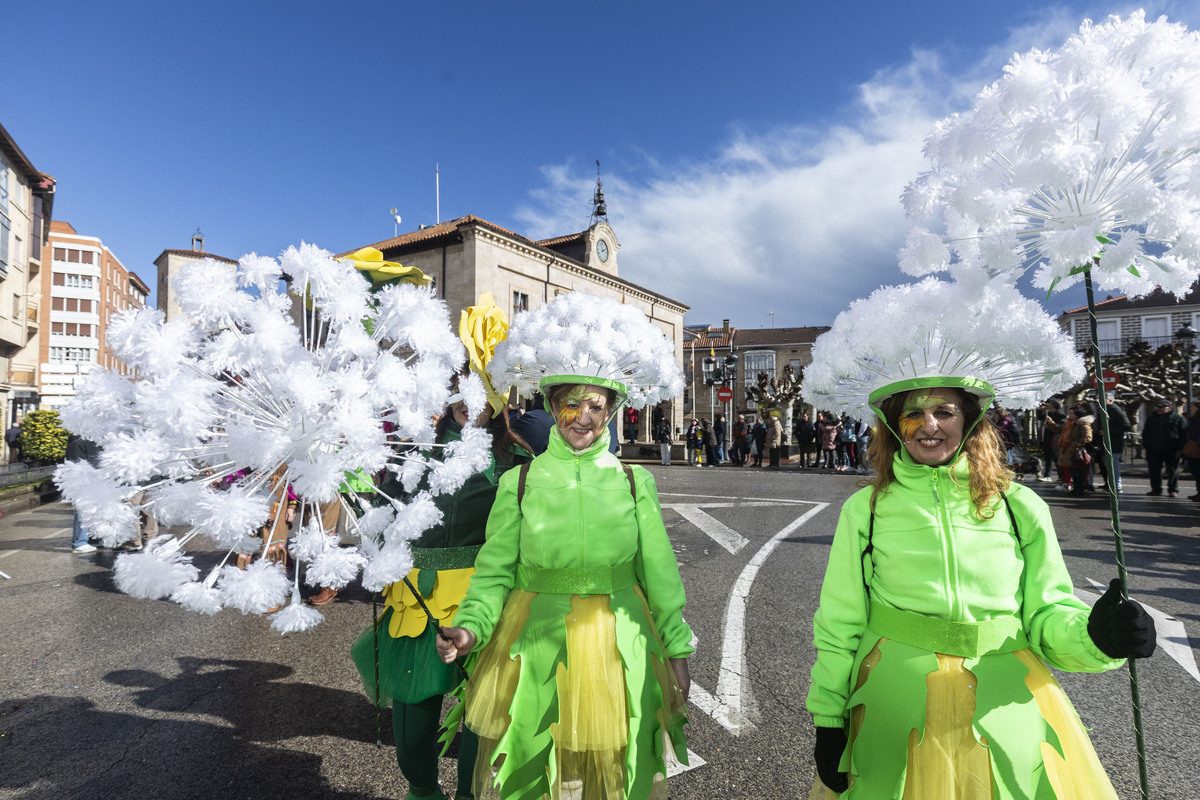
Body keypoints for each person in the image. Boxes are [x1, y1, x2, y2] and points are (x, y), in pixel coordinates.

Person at [808, 381, 1156, 799]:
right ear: (893, 426)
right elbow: (839, 622)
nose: (928, 425)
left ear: (971, 421)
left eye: (945, 412)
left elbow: (1048, 612)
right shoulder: (866, 508)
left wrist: (1097, 636)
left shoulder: (1019, 504)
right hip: (892, 710)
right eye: (912, 413)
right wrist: (829, 720)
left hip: (1007, 706)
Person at [436, 376, 692, 800]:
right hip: (536, 645)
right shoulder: (519, 482)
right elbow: (495, 572)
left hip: (619, 645)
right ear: (554, 408)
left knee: (615, 770)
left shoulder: (633, 481)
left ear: (609, 413)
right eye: (571, 405)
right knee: (539, 767)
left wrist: (677, 650)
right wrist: (470, 628)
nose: (583, 418)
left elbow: (660, 575)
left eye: (594, 407)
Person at [351, 395, 531, 800]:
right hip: (417, 601)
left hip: (486, 599)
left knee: (480, 723)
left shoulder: (517, 459)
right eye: (461, 390)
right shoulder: (417, 450)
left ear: (498, 402)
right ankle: (424, 791)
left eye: (483, 394)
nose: (471, 403)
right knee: (413, 735)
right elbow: (383, 513)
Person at [1142, 397, 1187, 497]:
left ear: (1170, 408)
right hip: (1153, 449)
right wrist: (1146, 445)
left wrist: (1180, 447)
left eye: (1163, 407)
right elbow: (1145, 433)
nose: (1160, 409)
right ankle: (1156, 489)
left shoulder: (1177, 418)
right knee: (1154, 470)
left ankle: (1173, 490)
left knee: (1172, 470)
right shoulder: (1151, 418)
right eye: (1158, 407)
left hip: (1172, 450)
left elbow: (1184, 434)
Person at [65, 434, 101, 554]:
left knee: (94, 511)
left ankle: (92, 538)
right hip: (84, 481)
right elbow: (79, 464)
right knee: (83, 511)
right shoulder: (80, 442)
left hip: (92, 480)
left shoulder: (85, 440)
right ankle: (80, 542)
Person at [1059, 404, 1094, 496]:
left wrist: (1075, 444)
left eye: (1071, 413)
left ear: (1077, 415)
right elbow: (1059, 429)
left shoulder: (1083, 424)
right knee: (1073, 471)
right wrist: (1050, 423)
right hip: (1069, 450)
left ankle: (1079, 489)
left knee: (1078, 472)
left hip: (1076, 451)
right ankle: (1076, 489)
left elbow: (1088, 437)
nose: (1069, 415)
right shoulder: (1070, 423)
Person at [1184, 400, 1200, 502]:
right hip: (1193, 449)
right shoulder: (1194, 419)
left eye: (1193, 407)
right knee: (1196, 472)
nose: (1190, 409)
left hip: (1197, 448)